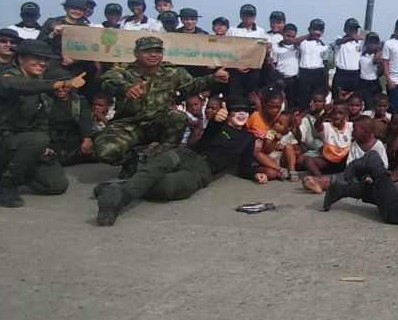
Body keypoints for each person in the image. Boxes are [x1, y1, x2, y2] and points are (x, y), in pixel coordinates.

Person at [94, 96, 268, 226]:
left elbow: (245, 167)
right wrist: (216, 120)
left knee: (168, 187)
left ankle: (117, 188)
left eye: (246, 112)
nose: (242, 114)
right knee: (156, 166)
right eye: (237, 111)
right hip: (186, 153)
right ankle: (114, 205)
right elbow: (209, 132)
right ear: (228, 113)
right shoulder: (217, 126)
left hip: (202, 170)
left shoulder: (248, 139)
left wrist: (256, 174)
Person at [0, 40, 84, 207]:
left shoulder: (39, 86)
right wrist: (60, 84)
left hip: (20, 144)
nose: (42, 63)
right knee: (37, 139)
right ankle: (6, 186)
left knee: (56, 185)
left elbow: (41, 121)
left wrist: (45, 146)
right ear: (21, 59)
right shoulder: (8, 78)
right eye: (36, 58)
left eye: (46, 59)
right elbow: (15, 86)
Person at [92, 36, 230, 177]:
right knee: (104, 151)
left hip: (158, 123)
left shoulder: (173, 72)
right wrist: (126, 88)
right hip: (128, 125)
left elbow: (191, 86)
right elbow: (107, 81)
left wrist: (213, 78)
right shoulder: (124, 72)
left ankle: (163, 160)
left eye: (157, 51)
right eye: (147, 51)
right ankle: (129, 160)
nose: (153, 55)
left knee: (177, 117)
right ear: (135, 53)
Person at [296, 19, 328, 105]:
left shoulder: (324, 46)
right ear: (309, 29)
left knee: (317, 99)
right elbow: (294, 42)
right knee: (303, 98)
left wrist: (326, 82)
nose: (317, 32)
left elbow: (325, 64)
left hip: (319, 73)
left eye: (320, 30)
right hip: (305, 74)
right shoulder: (303, 42)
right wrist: (309, 35)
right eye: (315, 29)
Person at [331, 18, 363, 101]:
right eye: (351, 28)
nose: (353, 31)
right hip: (341, 74)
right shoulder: (339, 39)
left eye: (355, 28)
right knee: (337, 100)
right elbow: (338, 42)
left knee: (353, 101)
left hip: (355, 75)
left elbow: (374, 47)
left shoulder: (361, 42)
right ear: (345, 29)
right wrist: (351, 38)